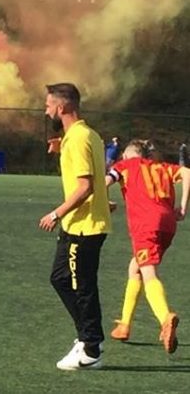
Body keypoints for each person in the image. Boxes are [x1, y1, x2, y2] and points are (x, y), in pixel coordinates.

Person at [39, 83, 111, 371]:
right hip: (78, 223)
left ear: (62, 107)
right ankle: (88, 338)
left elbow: (86, 186)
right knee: (60, 278)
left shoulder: (79, 138)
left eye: (48, 105)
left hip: (84, 226)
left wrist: (55, 213)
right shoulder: (85, 135)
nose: (46, 110)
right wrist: (60, 150)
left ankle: (91, 349)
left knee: (82, 286)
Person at [106, 139, 189, 354]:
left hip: (146, 224)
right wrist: (182, 207)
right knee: (136, 268)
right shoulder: (160, 166)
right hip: (168, 224)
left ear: (126, 155)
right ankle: (124, 325)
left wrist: (105, 202)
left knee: (148, 272)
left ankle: (165, 318)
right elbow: (187, 172)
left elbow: (103, 182)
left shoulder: (125, 166)